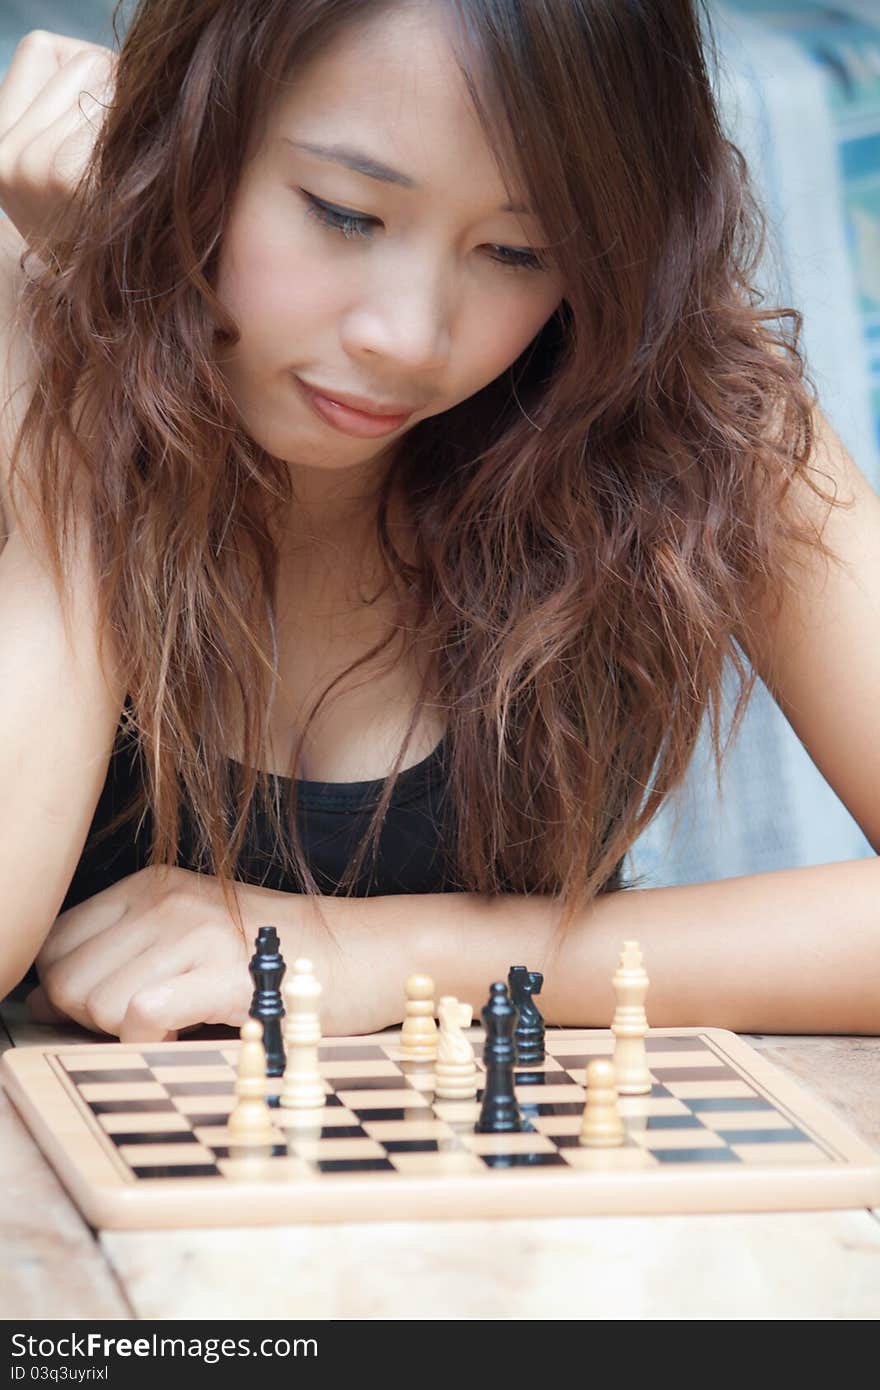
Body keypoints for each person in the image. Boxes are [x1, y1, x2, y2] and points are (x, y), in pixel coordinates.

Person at [0, 1, 877, 1044]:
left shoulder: (681, 408)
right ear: (182, 136)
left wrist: (394, 955)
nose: (408, 339)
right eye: (344, 213)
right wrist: (88, 368)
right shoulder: (30, 324)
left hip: (525, 1198)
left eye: (517, 251)